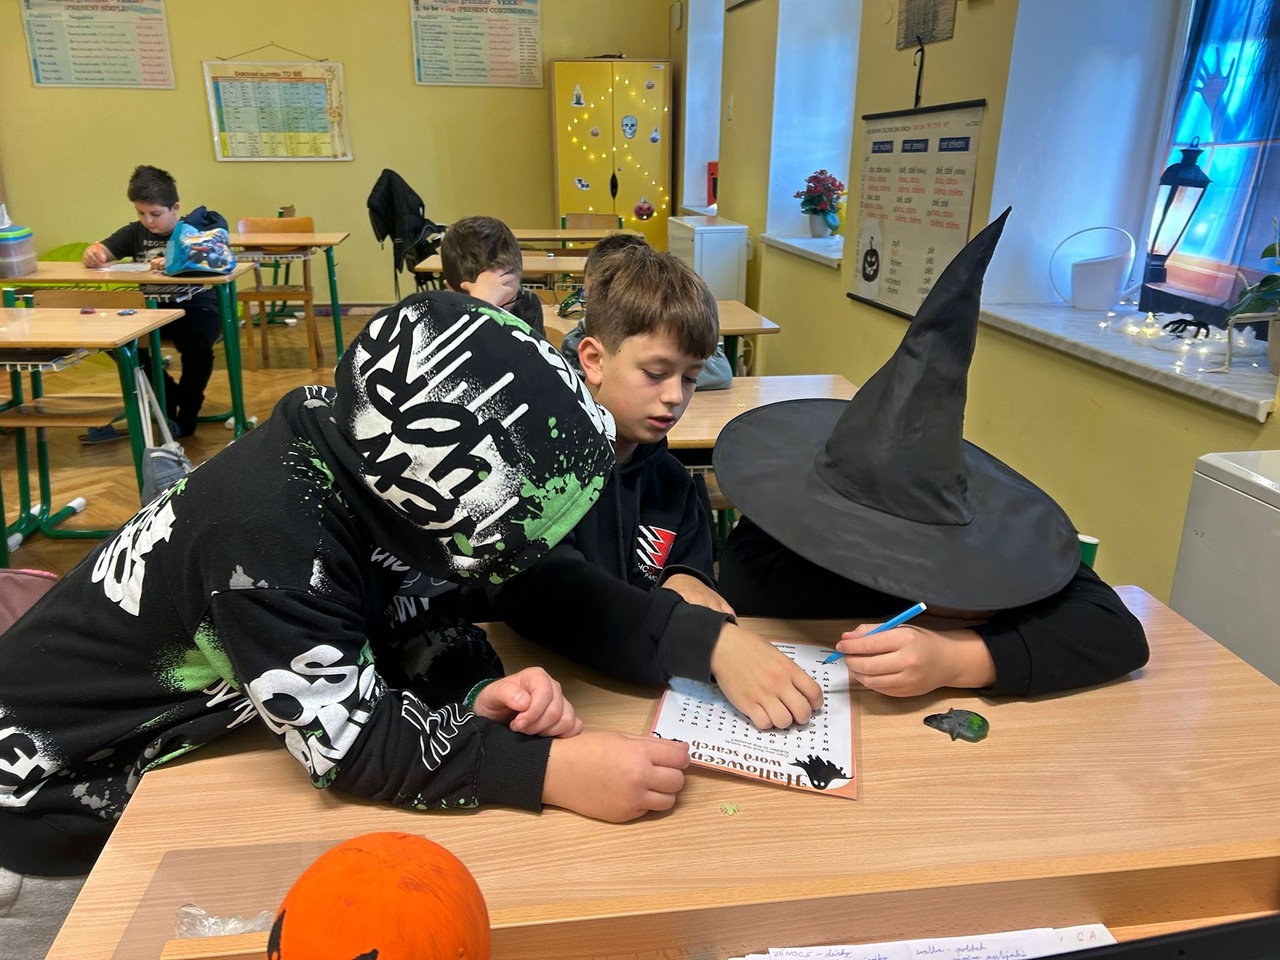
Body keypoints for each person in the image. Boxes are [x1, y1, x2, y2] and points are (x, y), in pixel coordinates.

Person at [0, 290, 690, 960]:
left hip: (168, 765)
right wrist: (550, 771)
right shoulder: (269, 539)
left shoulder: (360, 456)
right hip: (43, 819)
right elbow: (347, 744)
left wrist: (471, 690)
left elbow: (414, 605)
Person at [714, 210, 1149, 698]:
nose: (875, 551)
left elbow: (1115, 631)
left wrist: (957, 659)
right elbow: (743, 582)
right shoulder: (775, 540)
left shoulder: (993, 544)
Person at [489, 245, 823, 730]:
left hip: (641, 697)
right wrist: (706, 642)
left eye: (690, 378)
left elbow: (691, 555)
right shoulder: (538, 471)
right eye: (656, 373)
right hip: (553, 693)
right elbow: (545, 594)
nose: (675, 396)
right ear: (593, 360)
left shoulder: (673, 482)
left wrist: (688, 575)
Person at [81, 164, 221, 438]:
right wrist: (93, 254)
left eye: (155, 214)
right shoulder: (134, 233)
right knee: (117, 341)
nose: (148, 221)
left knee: (197, 347)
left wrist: (174, 261)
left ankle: (189, 407)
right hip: (151, 311)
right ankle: (166, 393)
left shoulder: (193, 231)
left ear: (175, 208)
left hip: (196, 308)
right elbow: (102, 250)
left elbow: (214, 258)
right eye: (140, 213)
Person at [558, 232, 734, 390]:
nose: (596, 309)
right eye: (589, 299)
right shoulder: (575, 342)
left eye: (689, 378)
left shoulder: (676, 324)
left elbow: (721, 372)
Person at [438, 214, 545, 337]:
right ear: (450, 289)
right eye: (496, 307)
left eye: (508, 304)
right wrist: (481, 310)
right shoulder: (438, 318)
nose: (500, 316)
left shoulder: (527, 302)